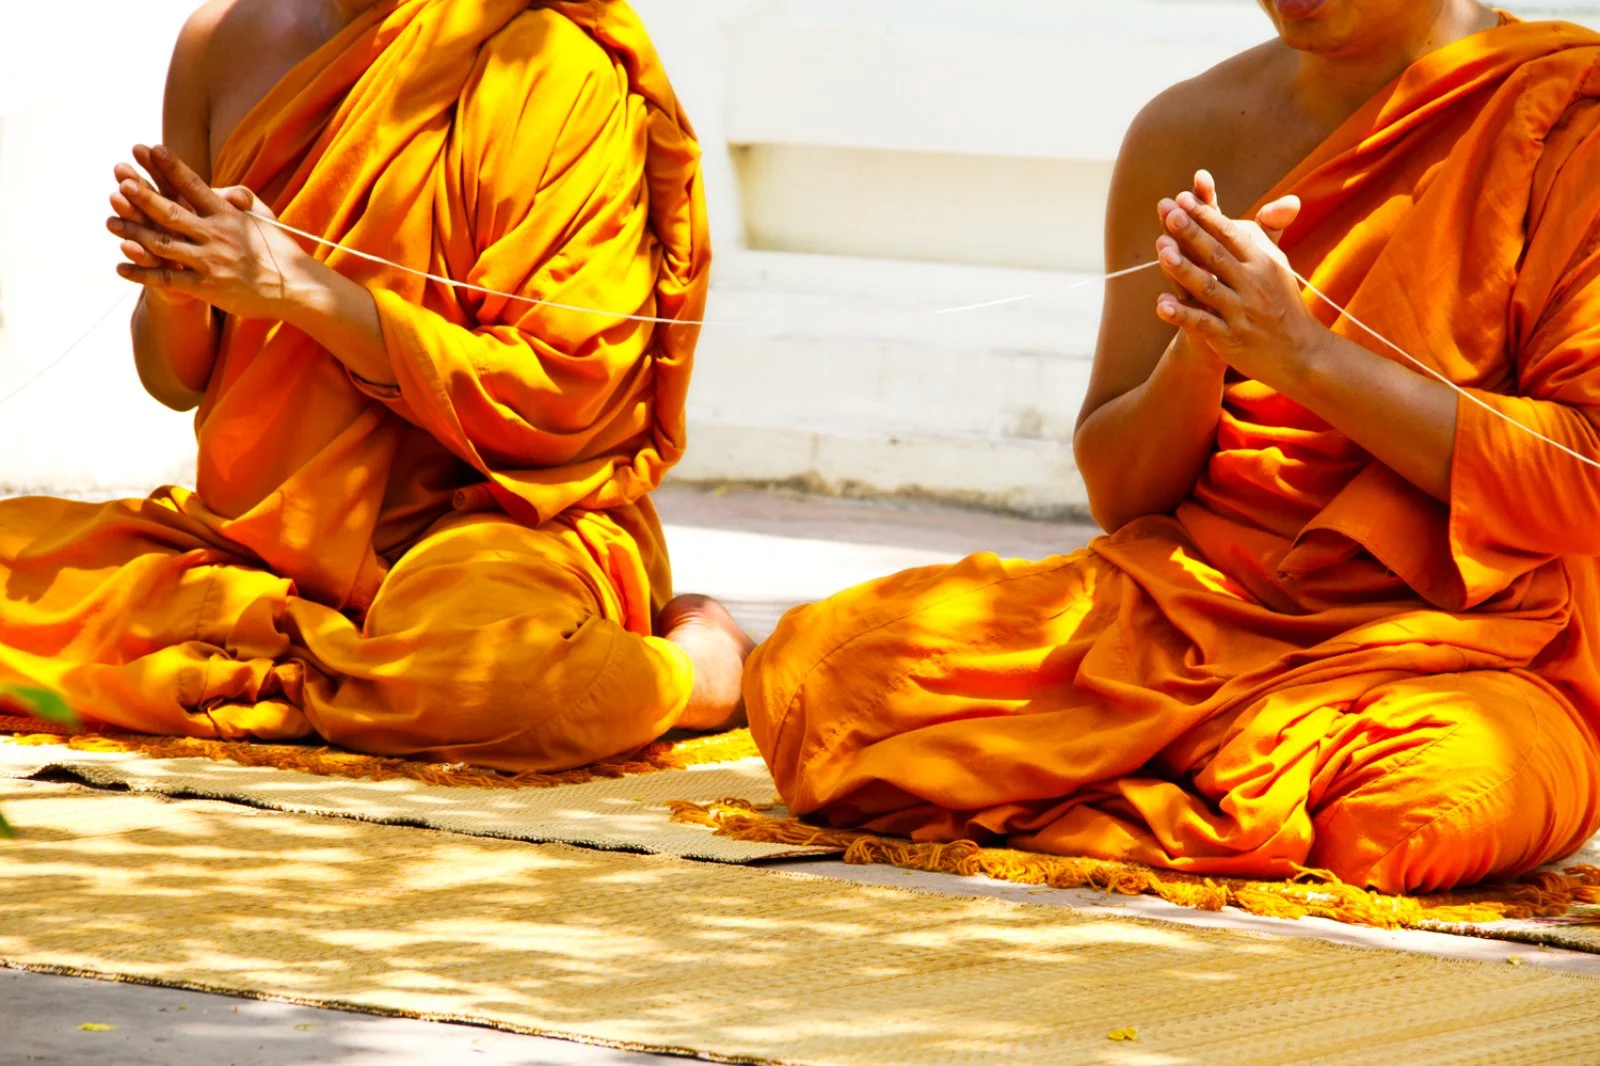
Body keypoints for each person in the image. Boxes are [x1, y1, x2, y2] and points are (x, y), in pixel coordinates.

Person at [743, 1, 1600, 893]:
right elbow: (1122, 495)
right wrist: (1202, 347)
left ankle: (1112, 777)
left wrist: (1303, 357)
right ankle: (1210, 794)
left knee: (1422, 807)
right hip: (1179, 611)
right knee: (823, 678)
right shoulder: (1190, 128)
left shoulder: (1567, 121)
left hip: (1459, 647)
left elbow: (1586, 476)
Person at [0, 0, 752, 772]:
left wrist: (306, 293)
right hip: (258, 550)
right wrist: (184, 280)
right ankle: (347, 669)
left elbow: (566, 395)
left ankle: (700, 672)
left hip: (500, 529)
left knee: (485, 681)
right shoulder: (219, 43)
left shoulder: (548, 63)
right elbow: (172, 381)